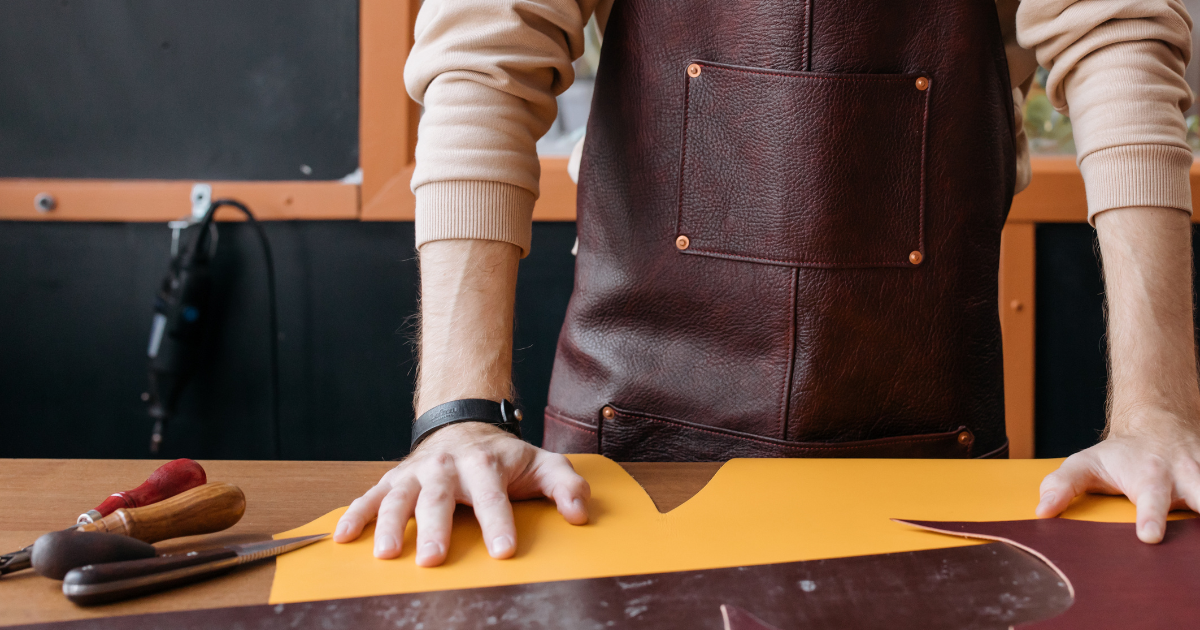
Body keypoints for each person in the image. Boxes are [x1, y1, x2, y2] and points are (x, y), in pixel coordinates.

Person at [334, 0, 1200, 567]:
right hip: (614, 483)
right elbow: (486, 57)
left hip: (932, 478)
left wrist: (1156, 416)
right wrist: (460, 417)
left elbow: (1115, 35)